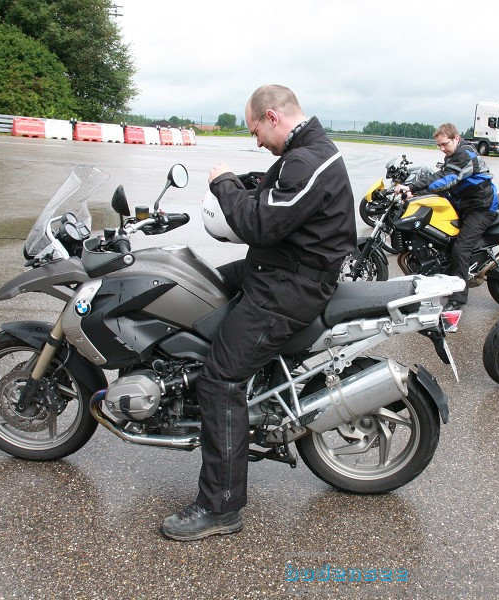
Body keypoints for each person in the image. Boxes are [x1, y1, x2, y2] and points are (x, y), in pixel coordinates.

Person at [161, 85, 356, 540]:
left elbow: (259, 223)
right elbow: (278, 192)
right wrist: (249, 182)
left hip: (289, 287)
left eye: (256, 131)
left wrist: (225, 183)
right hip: (274, 269)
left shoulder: (307, 160)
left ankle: (221, 507)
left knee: (221, 378)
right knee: (192, 284)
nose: (256, 141)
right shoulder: (305, 153)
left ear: (272, 116)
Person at [394, 123, 497, 307]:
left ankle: (457, 299)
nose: (442, 149)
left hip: (480, 208)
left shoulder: (465, 154)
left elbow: (446, 179)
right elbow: (442, 179)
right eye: (438, 145)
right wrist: (415, 194)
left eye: (444, 144)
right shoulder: (454, 154)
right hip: (463, 203)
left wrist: (412, 186)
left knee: (460, 249)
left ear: (456, 138)